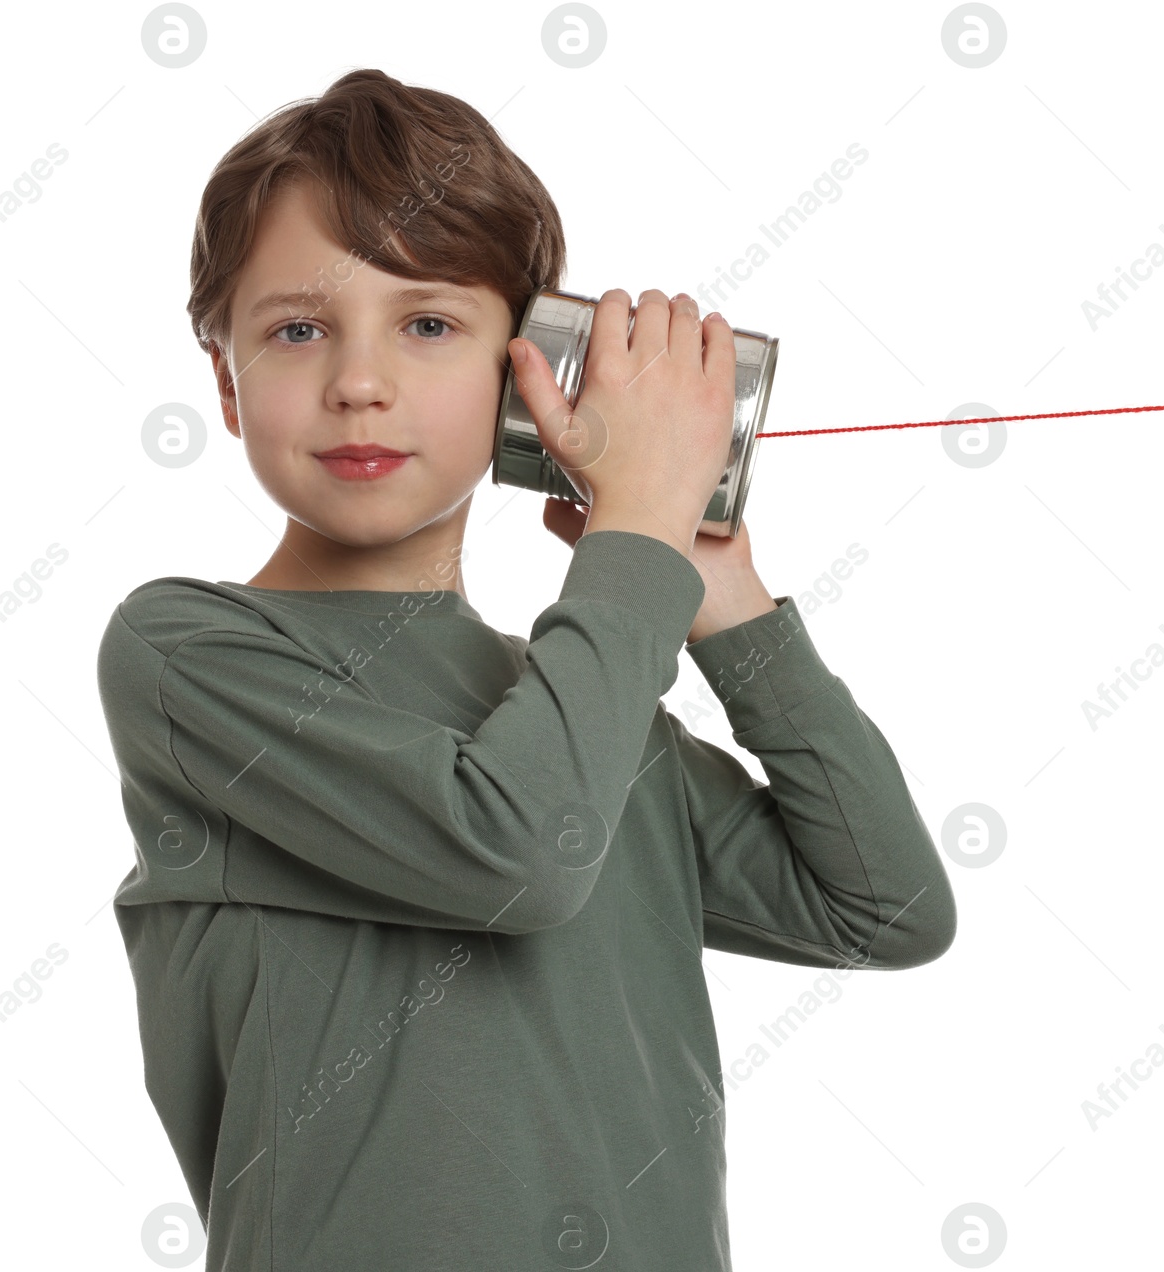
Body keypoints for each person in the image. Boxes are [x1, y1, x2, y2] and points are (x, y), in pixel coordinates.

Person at [95, 67, 956, 1270]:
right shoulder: (187, 653)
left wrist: (724, 606)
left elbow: (886, 910)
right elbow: (516, 854)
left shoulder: (581, 699)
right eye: (298, 330)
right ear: (228, 384)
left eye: (430, 324)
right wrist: (633, 546)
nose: (359, 382)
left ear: (529, 382)